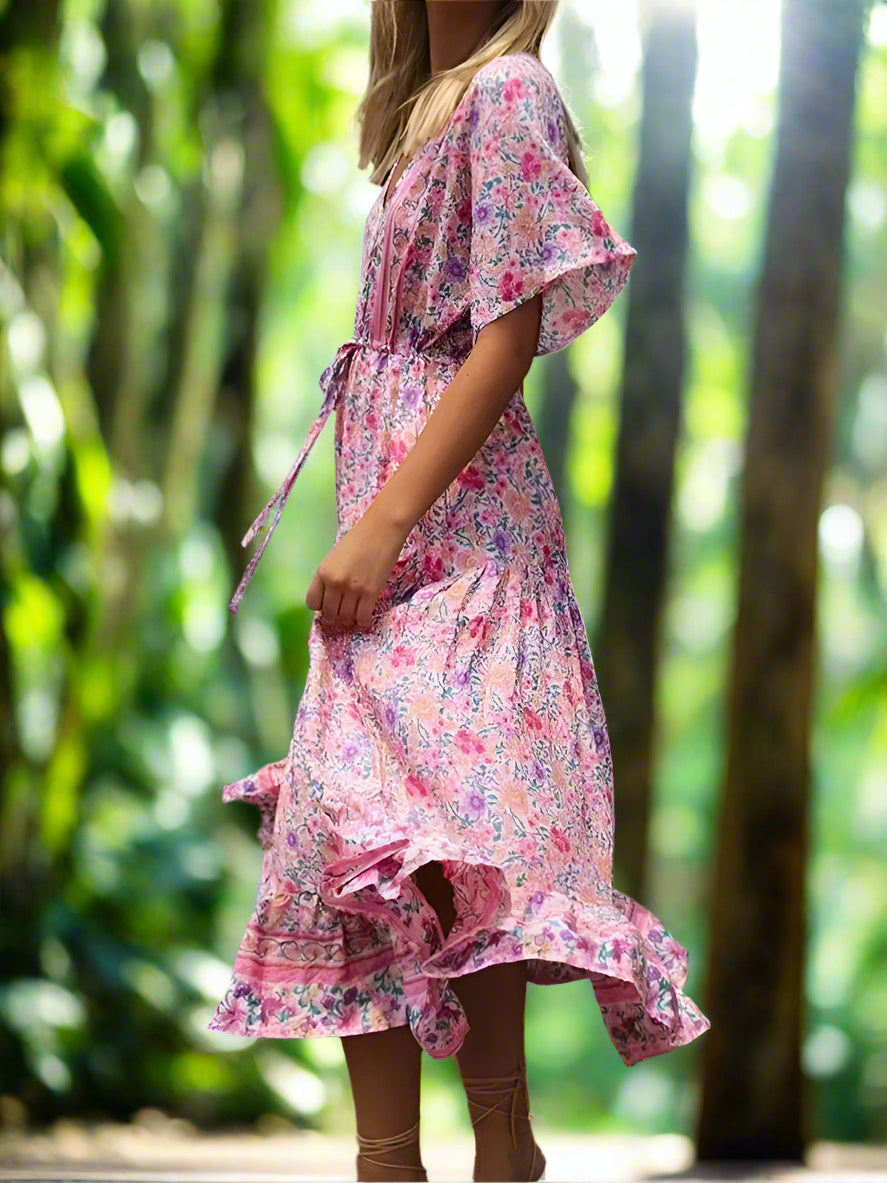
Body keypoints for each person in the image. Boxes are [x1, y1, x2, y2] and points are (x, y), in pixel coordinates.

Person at [209, 2, 711, 1180]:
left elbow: (508, 331)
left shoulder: (507, 91)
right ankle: (389, 1163)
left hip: (466, 542)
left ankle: (500, 1151)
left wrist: (384, 525)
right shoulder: (417, 117)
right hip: (391, 524)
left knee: (460, 842)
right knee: (353, 837)